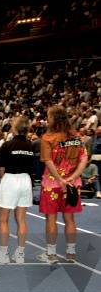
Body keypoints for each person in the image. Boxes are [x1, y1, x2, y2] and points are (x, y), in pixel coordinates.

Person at [37, 106, 88, 263]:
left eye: (49, 117)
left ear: (54, 119)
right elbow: (84, 159)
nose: (47, 119)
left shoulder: (47, 138)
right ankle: (71, 253)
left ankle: (51, 254)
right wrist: (72, 177)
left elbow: (48, 161)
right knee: (70, 218)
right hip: (72, 184)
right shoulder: (76, 137)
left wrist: (59, 179)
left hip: (52, 184)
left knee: (51, 218)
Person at [0, 116, 35, 264]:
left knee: (3, 219)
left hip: (10, 179)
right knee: (21, 219)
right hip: (26, 181)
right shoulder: (30, 145)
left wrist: (4, 182)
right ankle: (20, 254)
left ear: (14, 128)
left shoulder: (7, 145)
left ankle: (3, 254)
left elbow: (1, 168)